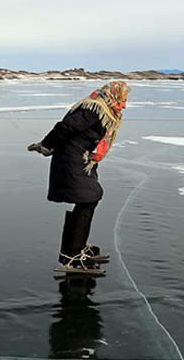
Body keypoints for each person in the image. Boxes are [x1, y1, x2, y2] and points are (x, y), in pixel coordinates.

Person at [28, 81, 130, 272]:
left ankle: (74, 250)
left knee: (89, 198)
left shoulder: (102, 109)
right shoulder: (93, 110)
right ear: (112, 95)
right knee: (88, 198)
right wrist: (47, 145)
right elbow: (66, 127)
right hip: (72, 159)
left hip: (81, 159)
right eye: (122, 99)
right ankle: (72, 254)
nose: (124, 105)